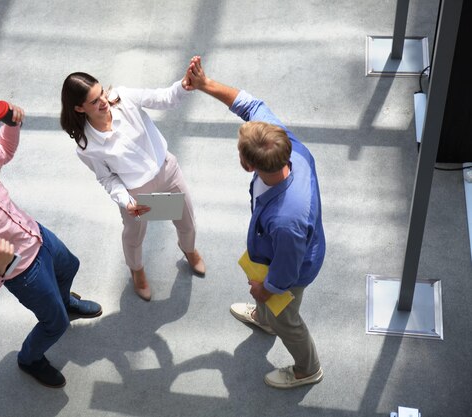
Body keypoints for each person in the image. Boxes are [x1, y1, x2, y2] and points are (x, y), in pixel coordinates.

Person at [0, 102, 102, 389]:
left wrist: (12, 123)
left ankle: (64, 303)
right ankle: (30, 359)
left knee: (70, 266)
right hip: (22, 273)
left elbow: (4, 148)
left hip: (37, 235)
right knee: (55, 325)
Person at [185, 56, 325, 389]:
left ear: (248, 166)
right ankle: (265, 320)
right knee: (272, 309)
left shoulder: (286, 220)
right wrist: (205, 84)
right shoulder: (283, 145)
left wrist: (267, 290)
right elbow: (250, 105)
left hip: (292, 265)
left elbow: (287, 270)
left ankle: (308, 368)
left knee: (288, 318)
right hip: (277, 249)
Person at [60, 70, 205, 301]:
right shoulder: (86, 146)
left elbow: (163, 98)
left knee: (187, 220)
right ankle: (136, 270)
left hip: (168, 171)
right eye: (94, 101)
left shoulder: (124, 97)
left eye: (102, 93)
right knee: (134, 236)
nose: (104, 102)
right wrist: (126, 201)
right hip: (137, 193)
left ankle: (188, 249)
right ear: (79, 108)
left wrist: (183, 86)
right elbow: (106, 178)